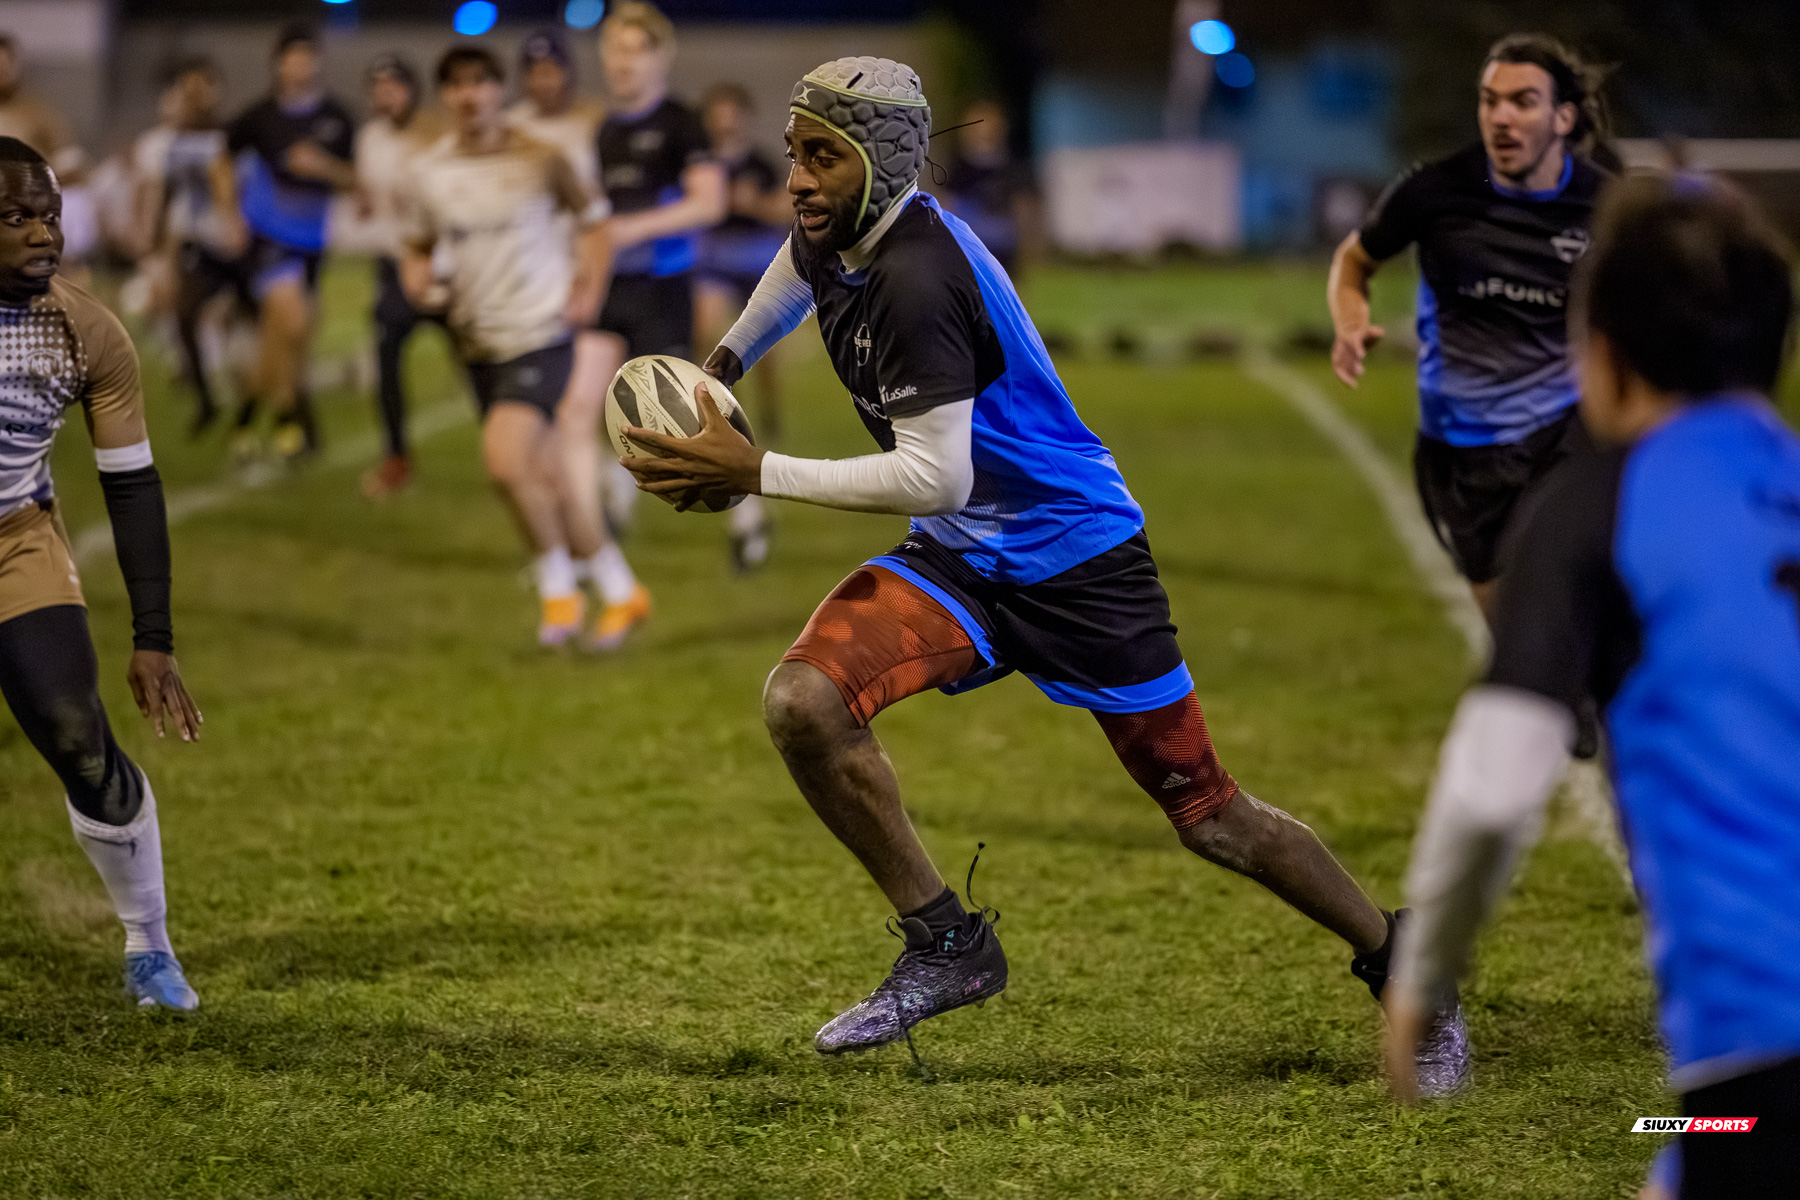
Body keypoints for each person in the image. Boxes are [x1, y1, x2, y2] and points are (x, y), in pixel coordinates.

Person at [619, 57, 1470, 1094]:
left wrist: (753, 470)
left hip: (1078, 561)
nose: (797, 179)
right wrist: (720, 367)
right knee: (805, 702)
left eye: (822, 156)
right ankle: (947, 943)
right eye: (794, 152)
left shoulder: (919, 279)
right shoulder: (841, 222)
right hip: (960, 559)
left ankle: (1402, 961)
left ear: (882, 165)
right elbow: (795, 271)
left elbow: (934, 474)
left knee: (1213, 818)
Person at [1384, 174, 1800, 1197]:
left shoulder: (1600, 505)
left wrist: (1421, 979)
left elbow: (1492, 791)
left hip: (1765, 1056)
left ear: (1605, 356)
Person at [0, 135, 204, 1009]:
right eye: (14, 216)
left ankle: (148, 945)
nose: (41, 233)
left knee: (78, 736)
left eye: (48, 215)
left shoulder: (87, 332)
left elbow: (133, 485)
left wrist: (153, 637)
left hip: (15, 545)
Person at [1328, 34, 1610, 622]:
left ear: (1563, 118)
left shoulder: (1606, 205)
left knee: (1572, 604)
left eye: (1523, 101)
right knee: (1510, 631)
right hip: (1464, 450)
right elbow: (1354, 262)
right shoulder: (1435, 191)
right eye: (1490, 100)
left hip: (1565, 430)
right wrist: (1351, 324)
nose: (1501, 117)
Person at [402, 46, 645, 650]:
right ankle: (620, 590)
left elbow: (596, 222)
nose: (470, 95)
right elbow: (418, 244)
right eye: (457, 85)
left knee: (504, 461)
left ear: (499, 91)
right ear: (445, 97)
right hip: (475, 339)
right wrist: (418, 280)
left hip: (540, 334)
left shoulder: (542, 156)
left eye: (481, 82)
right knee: (546, 476)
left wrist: (588, 290)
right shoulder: (431, 171)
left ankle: (559, 590)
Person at [569, 1, 732, 580]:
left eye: (637, 51)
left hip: (663, 290)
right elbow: (594, 220)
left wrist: (631, 229)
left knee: (682, 428)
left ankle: (747, 512)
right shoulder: (603, 130)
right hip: (612, 289)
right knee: (575, 411)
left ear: (661, 58)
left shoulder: (681, 123)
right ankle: (590, 546)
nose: (624, 62)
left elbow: (709, 203)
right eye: (616, 50)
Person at [223, 25, 356, 464]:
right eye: (292, 58)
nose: (300, 66)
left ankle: (246, 415)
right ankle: (288, 419)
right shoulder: (260, 115)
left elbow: (357, 179)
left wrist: (323, 168)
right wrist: (231, 215)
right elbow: (221, 159)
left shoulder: (338, 117)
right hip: (267, 237)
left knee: (282, 338)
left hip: (311, 243)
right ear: (278, 65)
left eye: (307, 57)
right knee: (294, 323)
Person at [694, 82, 788, 571]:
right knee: (708, 335)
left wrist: (753, 204)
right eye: (719, 113)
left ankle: (767, 414)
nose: (725, 122)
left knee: (766, 356)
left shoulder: (762, 163)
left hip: (755, 262)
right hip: (714, 260)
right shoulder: (700, 161)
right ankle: (715, 404)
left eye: (732, 113)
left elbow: (786, 208)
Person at [136, 57, 247, 437]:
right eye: (189, 90)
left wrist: (235, 221)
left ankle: (290, 413)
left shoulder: (231, 135)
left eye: (202, 88)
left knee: (255, 325)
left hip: (237, 244)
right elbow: (169, 191)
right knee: (185, 315)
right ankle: (206, 401)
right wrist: (154, 237)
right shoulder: (176, 142)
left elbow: (233, 184)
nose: (196, 97)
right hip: (201, 244)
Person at [354, 53, 443, 498]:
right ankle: (396, 457)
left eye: (393, 86)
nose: (385, 96)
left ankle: (512, 441)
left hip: (442, 266)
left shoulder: (435, 133)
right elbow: (367, 197)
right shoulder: (370, 137)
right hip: (393, 265)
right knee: (385, 356)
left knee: (478, 362)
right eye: (378, 87)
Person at [940, 99, 1038, 280]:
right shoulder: (959, 166)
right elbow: (948, 203)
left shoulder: (1009, 165)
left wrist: (1027, 241)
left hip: (1003, 243)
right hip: (970, 242)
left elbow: (1021, 204)